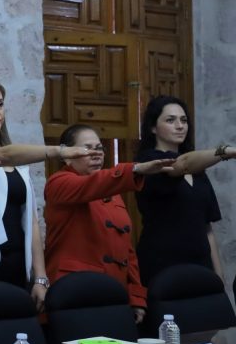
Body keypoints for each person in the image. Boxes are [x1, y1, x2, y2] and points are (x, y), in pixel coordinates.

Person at [0, 75, 93, 310]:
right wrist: (60, 151)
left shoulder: (18, 162)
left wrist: (40, 277)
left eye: (0, 104)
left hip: (14, 263)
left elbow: (30, 221)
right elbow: (2, 156)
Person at [44, 124, 175, 323]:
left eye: (99, 148)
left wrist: (136, 296)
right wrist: (136, 168)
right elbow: (90, 185)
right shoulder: (58, 182)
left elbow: (127, 250)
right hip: (74, 294)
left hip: (113, 295)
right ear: (67, 156)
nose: (96, 153)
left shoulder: (112, 191)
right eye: (87, 148)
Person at [134, 95, 236, 286]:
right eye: (170, 120)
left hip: (200, 264)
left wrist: (219, 275)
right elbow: (181, 165)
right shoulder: (148, 162)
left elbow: (207, 228)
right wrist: (226, 151)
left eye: (184, 120)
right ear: (153, 127)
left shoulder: (198, 169)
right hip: (162, 264)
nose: (180, 126)